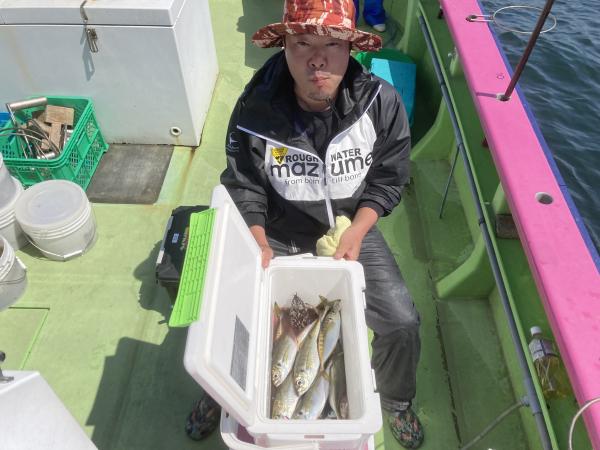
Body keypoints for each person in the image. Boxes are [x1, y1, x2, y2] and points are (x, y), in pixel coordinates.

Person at [186, 0, 423, 447]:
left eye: (332, 44)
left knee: (401, 322)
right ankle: (221, 396)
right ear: (283, 46)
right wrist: (258, 241)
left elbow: (389, 177)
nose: (317, 59)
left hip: (349, 229)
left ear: (351, 48)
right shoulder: (254, 109)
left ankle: (395, 400)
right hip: (275, 232)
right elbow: (244, 185)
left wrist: (357, 230)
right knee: (230, 317)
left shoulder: (381, 102)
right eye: (302, 44)